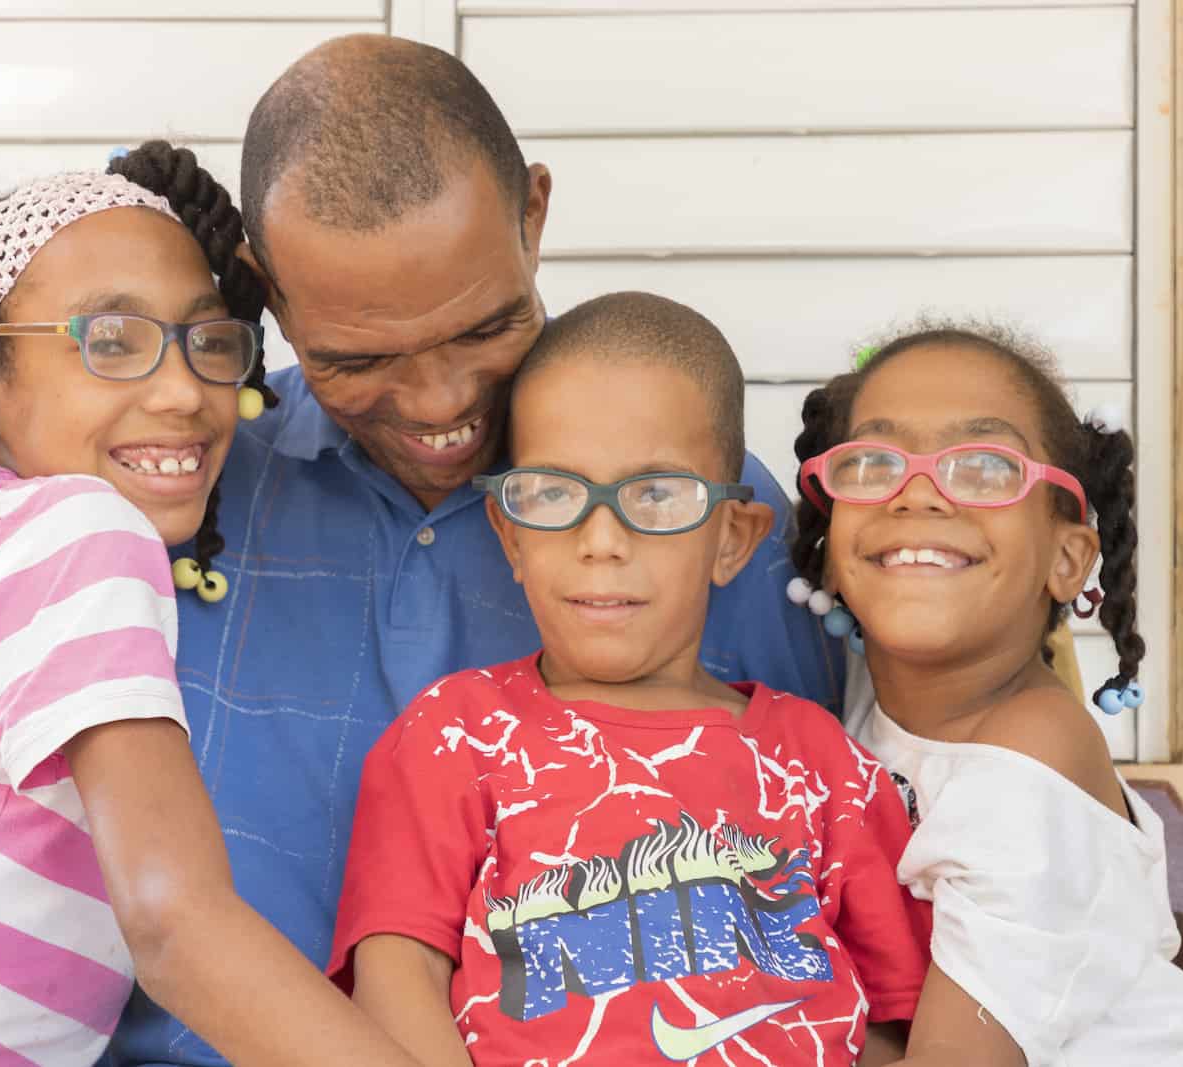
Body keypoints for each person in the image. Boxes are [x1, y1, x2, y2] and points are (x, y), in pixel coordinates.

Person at [0, 33, 1056, 1067]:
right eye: (358, 353)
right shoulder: (154, 481)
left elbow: (921, 807)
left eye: (484, 324)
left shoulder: (700, 519)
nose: (436, 403)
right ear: (263, 286)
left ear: (535, 216)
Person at [0, 144, 419, 1067]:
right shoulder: (84, 530)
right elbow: (177, 922)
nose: (182, 389)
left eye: (209, 342)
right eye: (112, 341)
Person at [329, 293, 935, 1066]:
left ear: (731, 538)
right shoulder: (456, 732)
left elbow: (895, 1018)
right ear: (510, 534)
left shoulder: (820, 760)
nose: (602, 540)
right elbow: (396, 981)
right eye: (555, 493)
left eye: (655, 495)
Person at [788, 326, 1183, 1065]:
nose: (916, 493)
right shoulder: (852, 704)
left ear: (1066, 558)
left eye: (984, 467)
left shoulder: (1035, 753)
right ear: (830, 550)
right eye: (872, 462)